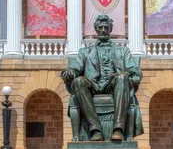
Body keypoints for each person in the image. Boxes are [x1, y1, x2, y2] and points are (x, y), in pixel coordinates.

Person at [61, 14, 143, 142]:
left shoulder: (123, 51)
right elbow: (75, 68)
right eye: (100, 28)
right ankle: (95, 129)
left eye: (106, 27)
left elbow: (135, 72)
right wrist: (70, 71)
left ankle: (118, 129)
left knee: (122, 77)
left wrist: (127, 78)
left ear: (110, 29)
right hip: (92, 86)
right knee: (78, 81)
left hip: (115, 85)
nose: (103, 30)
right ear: (96, 29)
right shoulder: (85, 52)